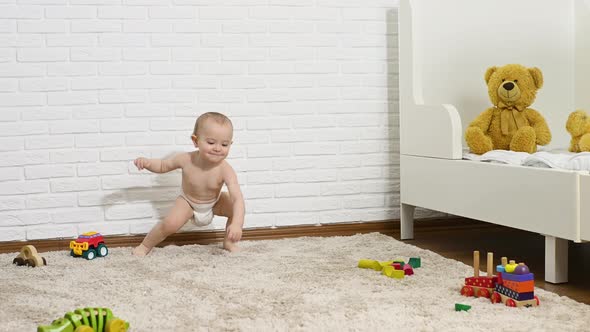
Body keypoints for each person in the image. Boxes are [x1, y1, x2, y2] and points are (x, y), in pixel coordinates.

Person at [132, 112, 245, 256]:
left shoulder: (226, 170)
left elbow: (237, 198)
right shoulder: (186, 159)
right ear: (195, 141)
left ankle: (229, 242)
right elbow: (162, 166)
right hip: (188, 202)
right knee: (169, 224)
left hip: (214, 203)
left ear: (230, 144)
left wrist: (237, 223)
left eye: (224, 144)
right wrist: (147, 163)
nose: (217, 148)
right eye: (211, 142)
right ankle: (145, 245)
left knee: (235, 207)